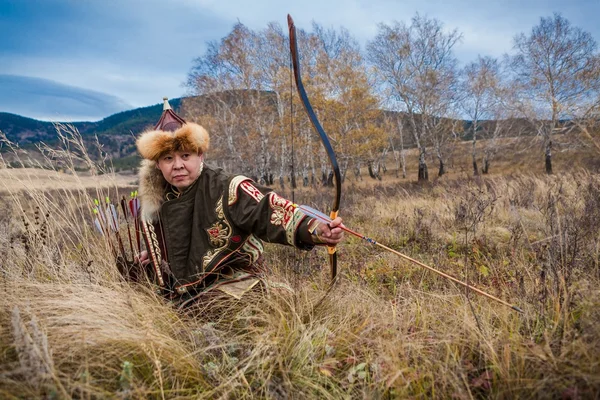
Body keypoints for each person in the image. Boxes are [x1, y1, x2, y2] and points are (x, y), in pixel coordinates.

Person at [134, 98, 344, 309]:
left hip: (236, 284)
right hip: (184, 293)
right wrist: (155, 257)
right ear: (158, 165)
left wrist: (316, 229)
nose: (177, 165)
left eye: (185, 156)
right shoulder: (157, 198)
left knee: (211, 311)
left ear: (200, 155)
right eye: (168, 159)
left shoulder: (228, 186)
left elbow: (268, 210)